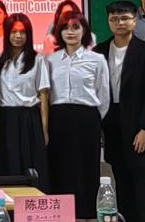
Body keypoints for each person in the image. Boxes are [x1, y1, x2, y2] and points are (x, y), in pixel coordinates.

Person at [93, 1, 145, 222]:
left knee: (139, 182)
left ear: (135, 20)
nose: (119, 23)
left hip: (137, 123)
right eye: (114, 19)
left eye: (124, 18)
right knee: (119, 180)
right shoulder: (99, 51)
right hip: (111, 122)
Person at [45, 11, 108, 220]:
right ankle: (62, 213)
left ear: (84, 31)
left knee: (87, 167)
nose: (70, 32)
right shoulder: (50, 60)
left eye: (75, 27)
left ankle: (87, 213)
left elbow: (103, 95)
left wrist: (94, 120)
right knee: (60, 166)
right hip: (58, 118)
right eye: (65, 28)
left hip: (86, 118)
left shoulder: (96, 59)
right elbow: (46, 94)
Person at [0, 14, 50, 190]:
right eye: (14, 32)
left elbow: (43, 95)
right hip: (3, 119)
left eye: (23, 32)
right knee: (6, 165)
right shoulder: (0, 60)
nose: (18, 36)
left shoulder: (37, 60)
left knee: (30, 166)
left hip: (28, 119)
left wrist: (44, 129)